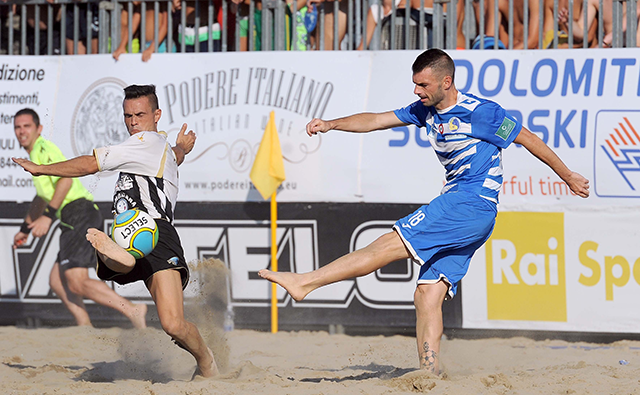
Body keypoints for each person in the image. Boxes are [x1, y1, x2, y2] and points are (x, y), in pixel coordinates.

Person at [258, 49, 590, 373]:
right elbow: (376, 120)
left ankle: (305, 282)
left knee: (385, 246)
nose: (417, 91)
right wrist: (331, 124)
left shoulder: (482, 113)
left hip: (468, 204)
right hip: (474, 214)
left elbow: (528, 138)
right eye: (415, 85)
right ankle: (428, 373)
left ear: (447, 81)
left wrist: (568, 175)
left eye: (424, 85)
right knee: (427, 295)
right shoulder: (425, 110)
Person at [13, 85, 218, 378]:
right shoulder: (161, 148)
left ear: (157, 115)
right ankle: (121, 257)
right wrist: (183, 148)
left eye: (140, 115)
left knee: (173, 325)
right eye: (128, 116)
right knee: (118, 262)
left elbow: (89, 164)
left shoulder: (145, 142)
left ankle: (206, 360)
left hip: (157, 233)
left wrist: (41, 169)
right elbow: (175, 155)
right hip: (128, 230)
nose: (133, 122)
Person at [12, 108, 147, 328]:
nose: (21, 131)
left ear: (39, 129)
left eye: (26, 126)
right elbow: (43, 196)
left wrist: (47, 217)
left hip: (79, 213)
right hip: (72, 216)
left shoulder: (42, 148)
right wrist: (25, 229)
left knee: (77, 281)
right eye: (17, 127)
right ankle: (84, 327)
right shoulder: (34, 155)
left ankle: (133, 310)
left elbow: (65, 181)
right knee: (57, 281)